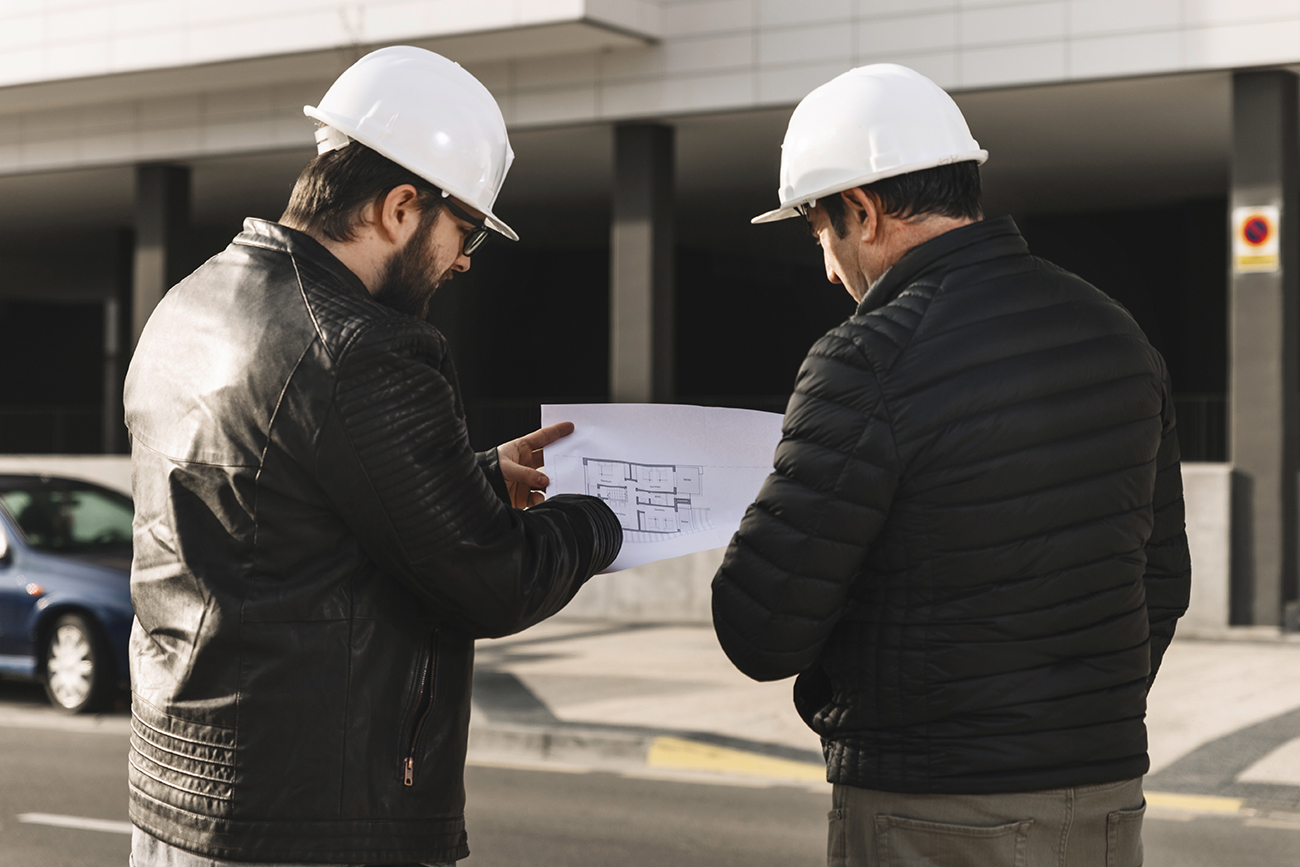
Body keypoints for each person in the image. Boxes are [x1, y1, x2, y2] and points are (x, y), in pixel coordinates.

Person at [124, 46, 621, 867]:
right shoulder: (366, 348)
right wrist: (602, 517)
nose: (464, 260)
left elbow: (279, 500)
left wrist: (470, 475)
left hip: (178, 801)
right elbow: (492, 580)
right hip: (313, 823)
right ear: (400, 207)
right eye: (466, 231)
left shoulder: (191, 302)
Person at [711, 64, 1191, 867]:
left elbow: (760, 629)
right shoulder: (1116, 334)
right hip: (1107, 803)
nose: (829, 269)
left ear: (859, 211)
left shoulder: (866, 357)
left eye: (820, 234)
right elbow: (1162, 578)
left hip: (931, 810)